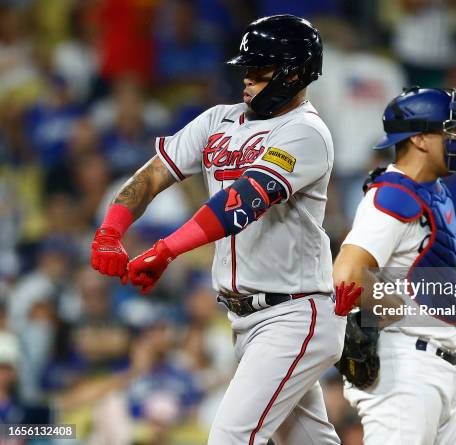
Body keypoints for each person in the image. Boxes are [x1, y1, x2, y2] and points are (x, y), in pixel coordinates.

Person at [90, 14, 349, 445]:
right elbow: (153, 174)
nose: (247, 81)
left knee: (230, 438)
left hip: (294, 312)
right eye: (245, 70)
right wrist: (110, 231)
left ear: (297, 73)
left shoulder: (306, 133)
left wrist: (166, 249)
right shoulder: (218, 120)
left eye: (260, 72)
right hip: (247, 317)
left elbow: (241, 202)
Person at [333, 87, 456, 444]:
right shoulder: (393, 193)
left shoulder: (431, 191)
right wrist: (390, 306)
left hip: (433, 369)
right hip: (404, 367)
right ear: (419, 138)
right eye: (451, 131)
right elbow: (345, 275)